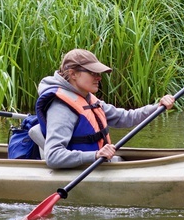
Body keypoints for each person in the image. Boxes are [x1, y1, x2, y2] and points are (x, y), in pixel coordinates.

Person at [35, 49, 174, 169]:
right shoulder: (61, 108)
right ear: (73, 74)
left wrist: (158, 107)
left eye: (98, 73)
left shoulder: (88, 99)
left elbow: (125, 118)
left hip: (98, 165)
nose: (99, 78)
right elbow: (53, 156)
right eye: (92, 73)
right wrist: (95, 155)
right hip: (79, 170)